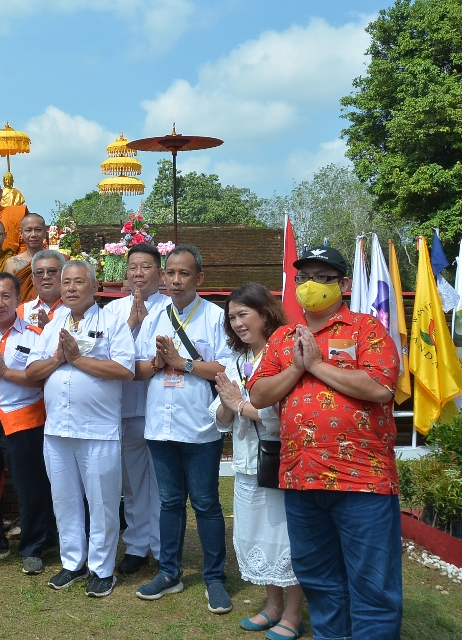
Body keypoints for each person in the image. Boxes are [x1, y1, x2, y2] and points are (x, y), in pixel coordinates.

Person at [249, 246, 402, 639]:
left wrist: (317, 365)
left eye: (324, 277)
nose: (311, 285)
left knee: (372, 585)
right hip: (302, 480)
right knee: (320, 581)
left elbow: (381, 387)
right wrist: (298, 366)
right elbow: (260, 394)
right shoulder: (284, 337)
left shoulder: (367, 329)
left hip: (362, 480)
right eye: (304, 278)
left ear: (344, 284)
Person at [133, 245, 234, 614]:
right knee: (170, 502)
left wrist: (183, 363)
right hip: (160, 424)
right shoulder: (155, 316)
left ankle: (215, 578)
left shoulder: (215, 317)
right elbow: (139, 369)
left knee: (206, 503)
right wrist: (159, 362)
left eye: (184, 274)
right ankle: (170, 573)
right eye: (170, 273)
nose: (175, 281)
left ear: (199, 279)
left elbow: (225, 367)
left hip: (201, 426)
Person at [26, 260, 135, 598]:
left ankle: (102, 569)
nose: (71, 288)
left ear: (94, 284)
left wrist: (76, 360)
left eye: (78, 282)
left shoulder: (113, 322)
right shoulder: (53, 326)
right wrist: (60, 358)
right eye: (66, 282)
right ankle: (72, 562)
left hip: (97, 430)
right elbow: (32, 372)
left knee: (101, 501)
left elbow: (124, 370)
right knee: (65, 499)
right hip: (57, 430)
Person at [213, 283, 303, 639]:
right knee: (259, 537)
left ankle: (293, 614)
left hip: (280, 461)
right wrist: (226, 400)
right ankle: (272, 606)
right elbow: (221, 421)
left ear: (265, 314)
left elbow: (280, 416)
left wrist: (239, 404)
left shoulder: (283, 357)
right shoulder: (238, 360)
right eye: (231, 317)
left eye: (243, 314)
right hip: (247, 465)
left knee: (285, 538)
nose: (237, 323)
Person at [0, 273, 54, 576]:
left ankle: (31, 546)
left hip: (24, 418)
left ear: (18, 300)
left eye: (6, 296)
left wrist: (1, 371)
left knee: (30, 487)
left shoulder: (35, 334)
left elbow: (41, 376)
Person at [102, 243, 168, 575]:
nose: (138, 274)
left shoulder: (171, 309)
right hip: (125, 405)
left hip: (161, 406)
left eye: (145, 267)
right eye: (132, 268)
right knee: (131, 481)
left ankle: (162, 546)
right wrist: (131, 323)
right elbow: (103, 354)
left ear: (160, 271)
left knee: (161, 481)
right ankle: (138, 545)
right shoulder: (112, 312)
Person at [7, 213, 49, 302]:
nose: (33, 234)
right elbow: (8, 292)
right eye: (28, 230)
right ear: (21, 234)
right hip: (21, 312)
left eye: (38, 230)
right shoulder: (12, 263)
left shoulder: (54, 260)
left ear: (45, 232)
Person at [17, 249, 64, 329]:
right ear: (32, 279)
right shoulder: (22, 311)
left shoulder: (76, 309)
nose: (46, 277)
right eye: (40, 272)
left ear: (64, 274)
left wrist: (50, 330)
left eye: (52, 271)